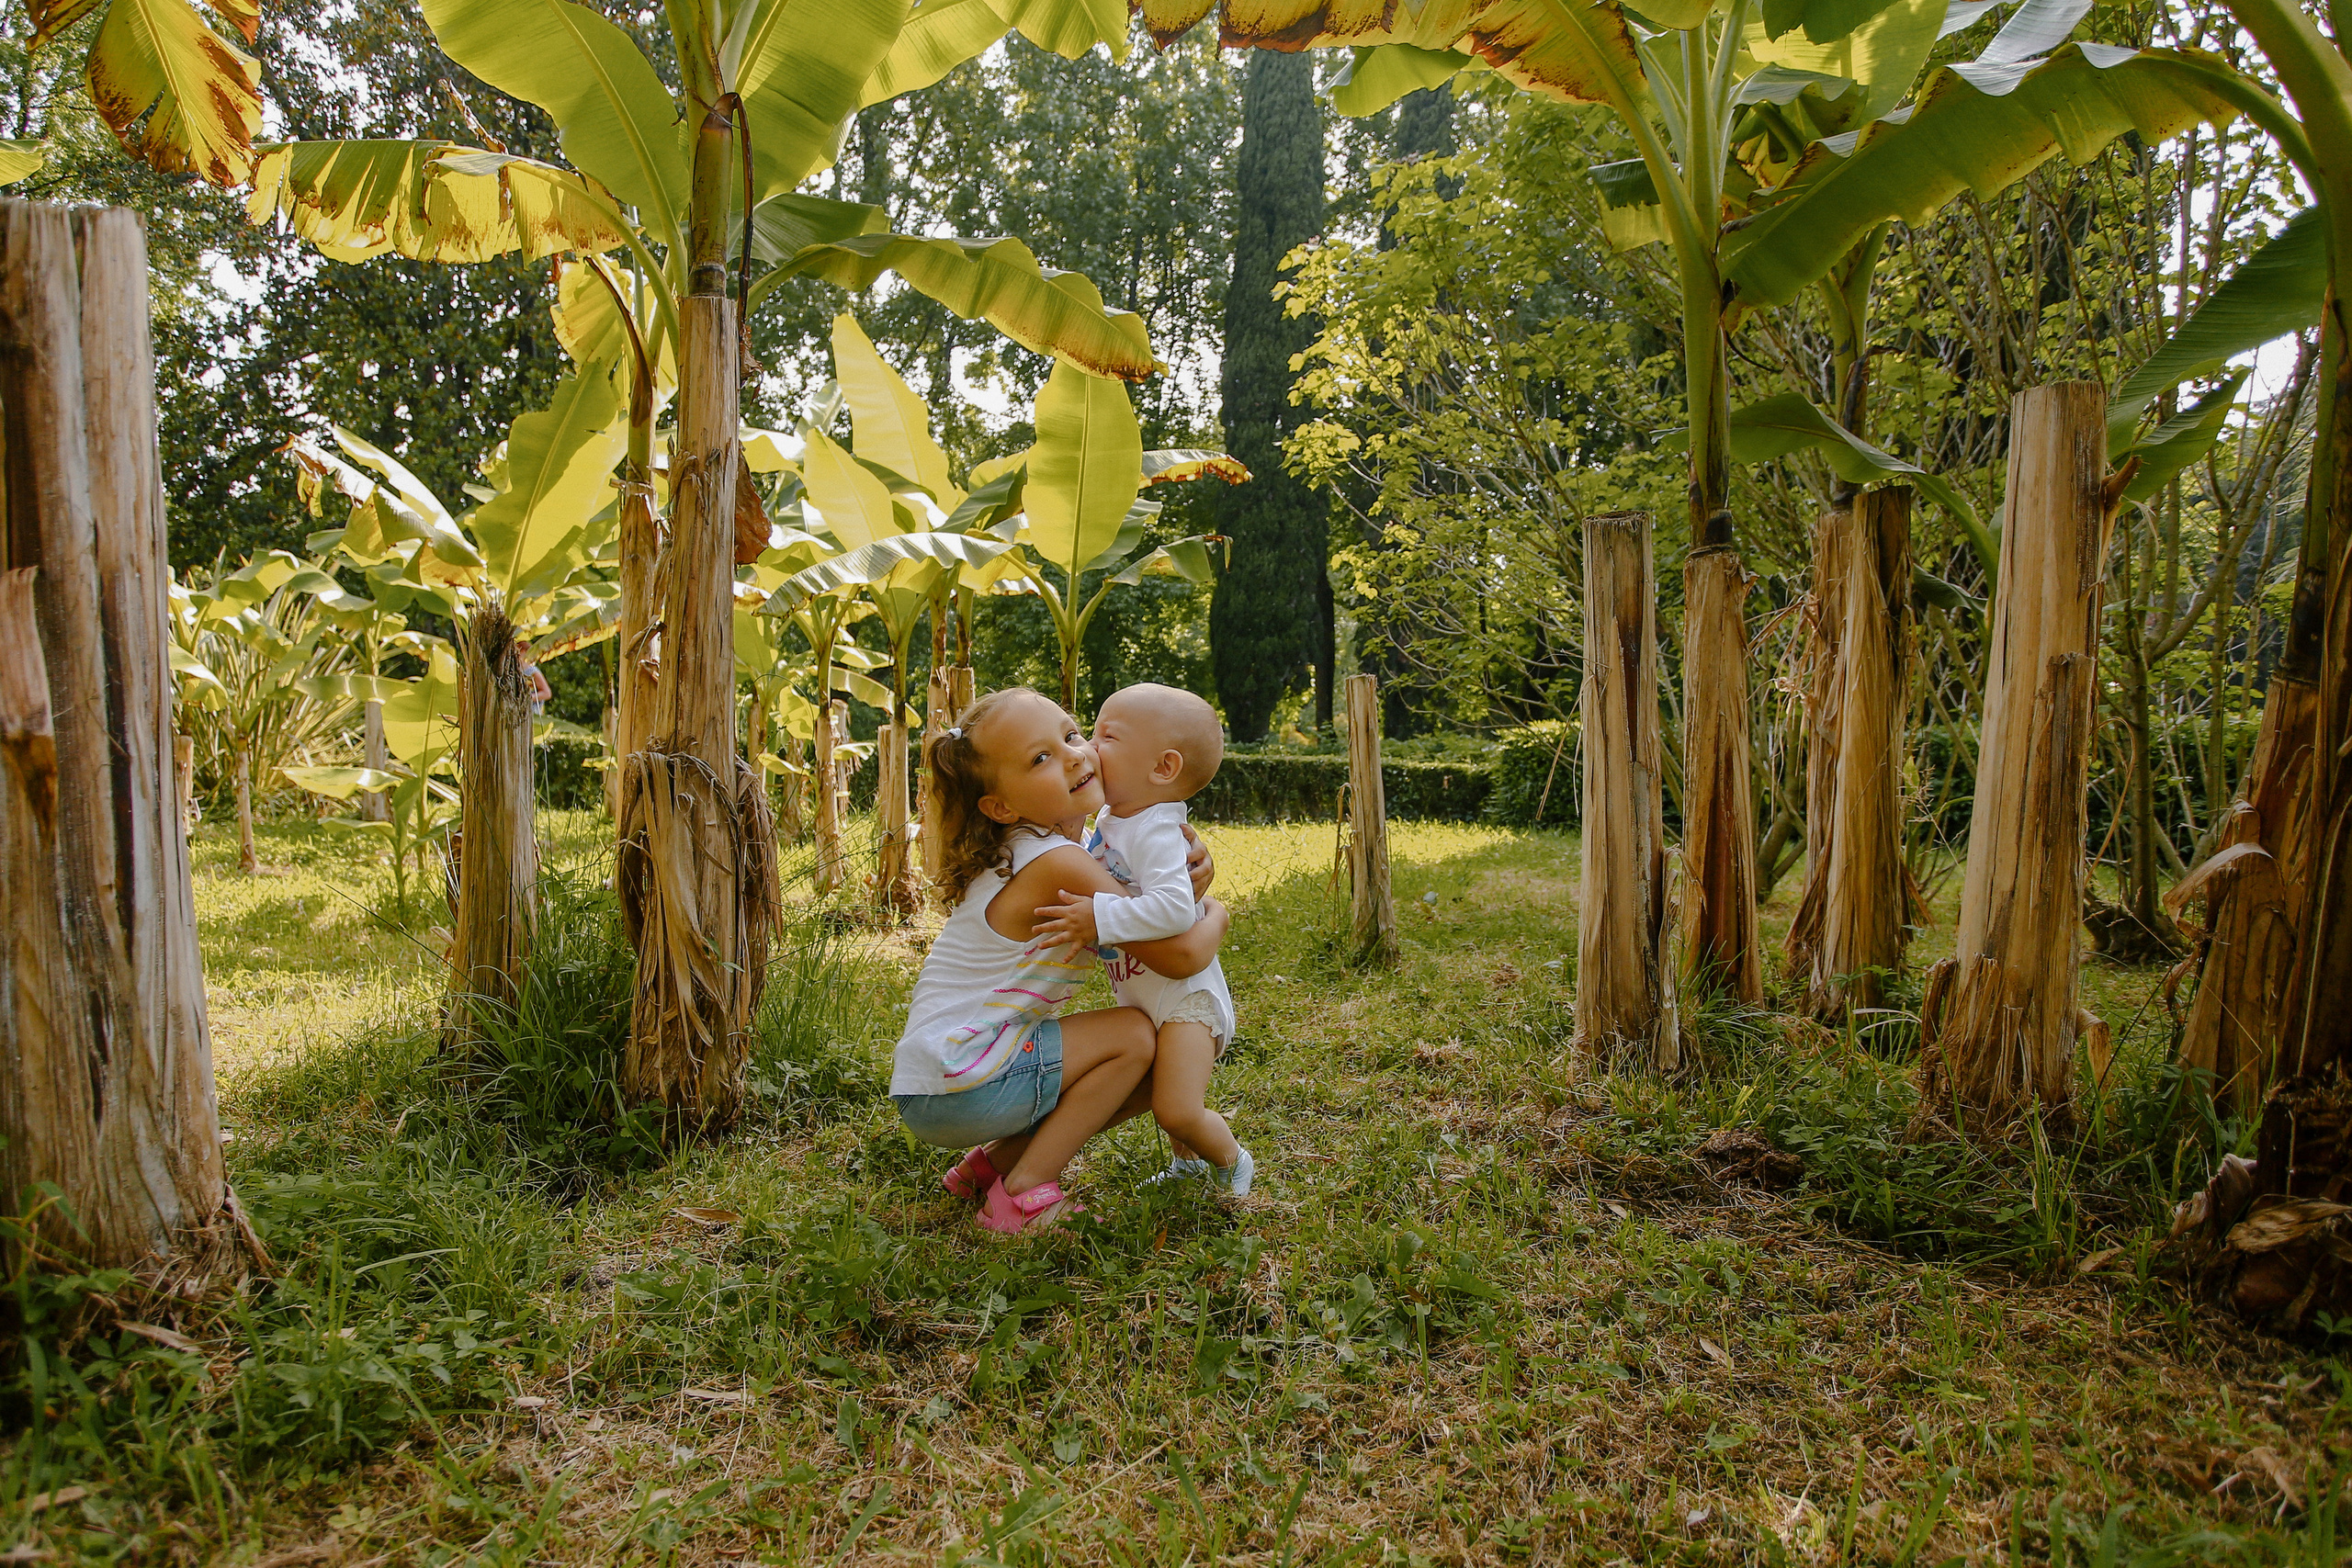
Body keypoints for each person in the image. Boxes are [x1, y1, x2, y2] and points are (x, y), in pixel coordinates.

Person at [893, 687, 1228, 1234]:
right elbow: (1181, 955)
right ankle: (1022, 1193)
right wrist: (1214, 909)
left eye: (1072, 735)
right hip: (962, 1080)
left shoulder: (1041, 848)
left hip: (938, 1081)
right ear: (1001, 806)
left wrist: (1190, 872)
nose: (1074, 754)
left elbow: (1139, 888)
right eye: (1040, 757)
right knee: (1139, 1037)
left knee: (1152, 1066)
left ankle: (992, 1166)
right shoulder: (1058, 863)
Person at [1035, 683, 1249, 1194]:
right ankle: (1188, 1166)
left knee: (1175, 1106)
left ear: (1163, 768)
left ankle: (1232, 1162)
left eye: (1106, 736)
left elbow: (1175, 909)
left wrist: (1099, 917)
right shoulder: (1114, 820)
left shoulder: (1155, 827)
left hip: (1186, 1002)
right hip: (1146, 995)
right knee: (1164, 1091)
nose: (1089, 747)